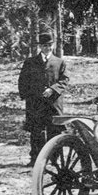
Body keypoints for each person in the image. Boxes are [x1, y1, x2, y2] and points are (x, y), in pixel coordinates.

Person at [18, 33, 69, 167]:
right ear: (40, 46)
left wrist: (53, 89)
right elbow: (23, 81)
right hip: (36, 103)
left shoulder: (60, 62)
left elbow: (64, 80)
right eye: (44, 45)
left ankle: (54, 159)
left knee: (55, 131)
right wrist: (29, 96)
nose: (47, 48)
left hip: (53, 103)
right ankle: (36, 159)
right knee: (36, 131)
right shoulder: (30, 62)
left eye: (50, 45)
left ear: (53, 46)